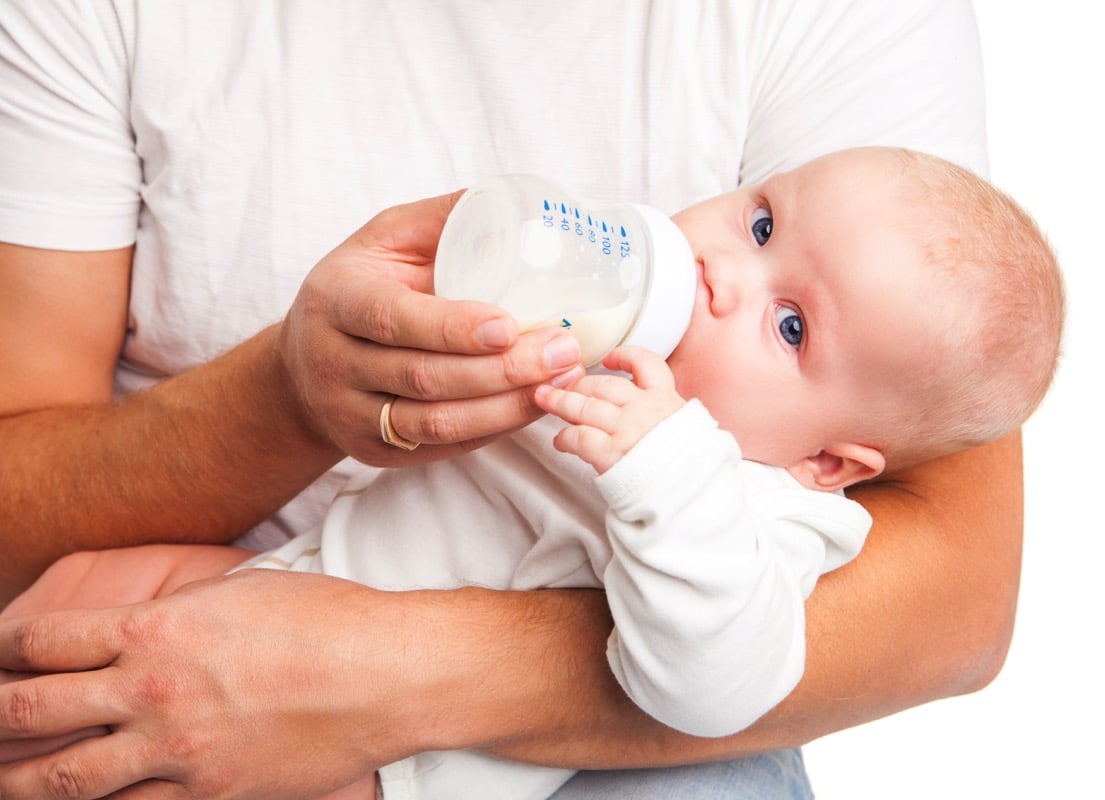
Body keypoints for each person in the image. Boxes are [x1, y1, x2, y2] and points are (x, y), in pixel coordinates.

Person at [0, 3, 1021, 798]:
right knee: (72, 607)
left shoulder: (764, 511)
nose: (720, 277)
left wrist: (379, 673)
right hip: (288, 565)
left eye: (790, 326)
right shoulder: (615, 366)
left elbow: (738, 680)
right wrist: (291, 399)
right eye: (757, 224)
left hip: (429, 765)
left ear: (832, 462)